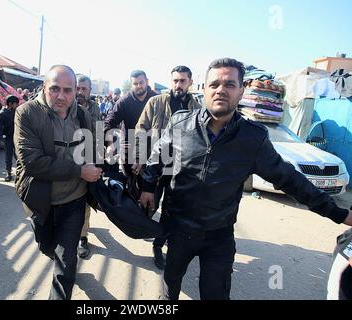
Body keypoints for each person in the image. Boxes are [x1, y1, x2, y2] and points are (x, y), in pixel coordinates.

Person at [139, 58, 352, 300]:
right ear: (204, 90)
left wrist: (338, 213)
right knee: (170, 289)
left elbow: (290, 180)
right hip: (178, 228)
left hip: (218, 236)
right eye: (214, 84)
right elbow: (156, 157)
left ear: (241, 91)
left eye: (229, 84)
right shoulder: (180, 124)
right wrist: (147, 187)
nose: (221, 90)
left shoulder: (253, 138)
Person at [14, 65, 102, 300]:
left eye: (67, 90)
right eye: (54, 89)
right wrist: (79, 171)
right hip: (41, 201)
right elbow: (33, 162)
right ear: (44, 87)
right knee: (47, 247)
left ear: (76, 91)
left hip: (74, 200)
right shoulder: (26, 113)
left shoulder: (82, 115)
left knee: (66, 259)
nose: (61, 96)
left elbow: (92, 149)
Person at [134, 65, 202, 270]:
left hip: (180, 170)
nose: (178, 85)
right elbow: (141, 129)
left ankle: (158, 245)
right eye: (175, 80)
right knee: (148, 205)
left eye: (182, 81)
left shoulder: (196, 108)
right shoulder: (155, 102)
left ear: (190, 82)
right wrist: (138, 156)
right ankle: (145, 230)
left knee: (171, 210)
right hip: (155, 166)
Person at [104, 70, 157, 177]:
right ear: (131, 85)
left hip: (152, 150)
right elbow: (109, 123)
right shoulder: (124, 102)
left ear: (147, 81)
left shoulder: (156, 99)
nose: (139, 86)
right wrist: (111, 144)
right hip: (129, 151)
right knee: (130, 186)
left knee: (150, 186)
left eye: (141, 82)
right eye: (135, 84)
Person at [75, 74, 102, 259]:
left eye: (84, 89)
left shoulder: (95, 109)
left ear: (90, 91)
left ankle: (82, 238)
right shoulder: (66, 108)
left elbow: (99, 134)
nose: (80, 92)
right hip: (67, 163)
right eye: (77, 88)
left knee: (84, 201)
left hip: (88, 161)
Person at [0, 95, 19, 182]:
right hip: (8, 139)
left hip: (17, 138)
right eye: (16, 104)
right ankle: (8, 173)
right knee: (8, 157)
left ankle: (20, 173)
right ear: (10, 104)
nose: (17, 105)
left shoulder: (16, 112)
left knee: (19, 156)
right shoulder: (2, 114)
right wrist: (0, 139)